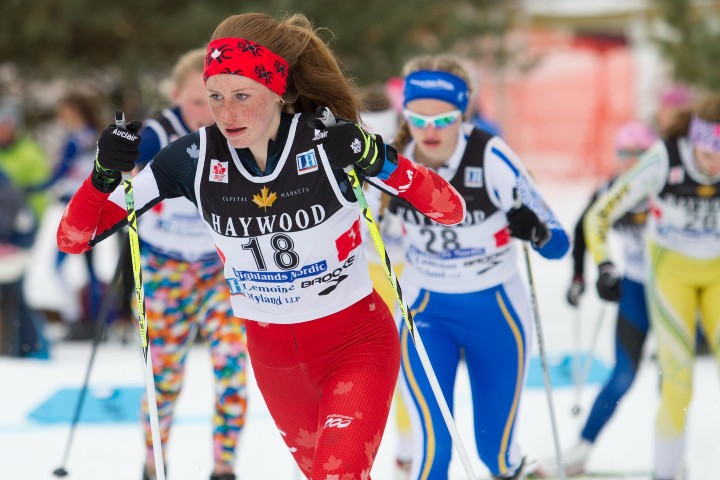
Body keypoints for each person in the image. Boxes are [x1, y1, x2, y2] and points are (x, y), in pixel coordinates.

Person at [56, 12, 466, 480]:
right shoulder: (191, 158)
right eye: (215, 97)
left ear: (278, 91)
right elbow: (73, 238)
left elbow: (449, 209)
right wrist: (103, 175)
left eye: (242, 95)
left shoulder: (326, 141)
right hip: (276, 362)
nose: (227, 114)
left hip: (356, 345)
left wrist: (378, 159)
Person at [388, 54, 569, 480]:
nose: (430, 130)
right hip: (424, 311)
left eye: (443, 119)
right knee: (433, 448)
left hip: (496, 311)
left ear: (463, 113)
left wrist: (537, 232)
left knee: (496, 453)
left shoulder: (491, 157)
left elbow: (558, 241)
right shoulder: (392, 162)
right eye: (418, 118)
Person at [584, 94, 720, 480]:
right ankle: (666, 473)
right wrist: (604, 264)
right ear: (694, 141)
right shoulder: (664, 159)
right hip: (670, 276)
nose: (714, 166)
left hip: (716, 275)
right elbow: (599, 213)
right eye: (707, 155)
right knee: (678, 383)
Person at [132, 48, 246, 480]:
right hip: (166, 271)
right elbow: (120, 188)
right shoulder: (157, 135)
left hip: (221, 271)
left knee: (233, 368)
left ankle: (224, 468)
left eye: (215, 99)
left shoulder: (234, 131)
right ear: (177, 95)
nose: (207, 112)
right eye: (197, 101)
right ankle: (153, 465)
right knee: (163, 377)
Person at [535, 122, 657, 477]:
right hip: (636, 288)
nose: (630, 162)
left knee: (675, 375)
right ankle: (582, 448)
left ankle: (672, 450)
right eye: (624, 154)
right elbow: (583, 229)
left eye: (639, 155)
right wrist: (580, 276)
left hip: (676, 290)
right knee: (623, 375)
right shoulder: (611, 190)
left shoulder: (662, 185)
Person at [30, 92, 105, 339]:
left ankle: (79, 317)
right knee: (89, 266)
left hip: (77, 208)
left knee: (60, 264)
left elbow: (61, 173)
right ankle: (93, 319)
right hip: (93, 206)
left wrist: (34, 188)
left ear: (74, 110)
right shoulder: (95, 135)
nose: (61, 115)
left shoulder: (76, 139)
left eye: (63, 110)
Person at [0, 96, 51, 358]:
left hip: (19, 233)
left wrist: (25, 228)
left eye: (6, 126)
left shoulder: (29, 153)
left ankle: (30, 345)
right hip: (5, 233)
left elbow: (39, 193)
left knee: (17, 292)